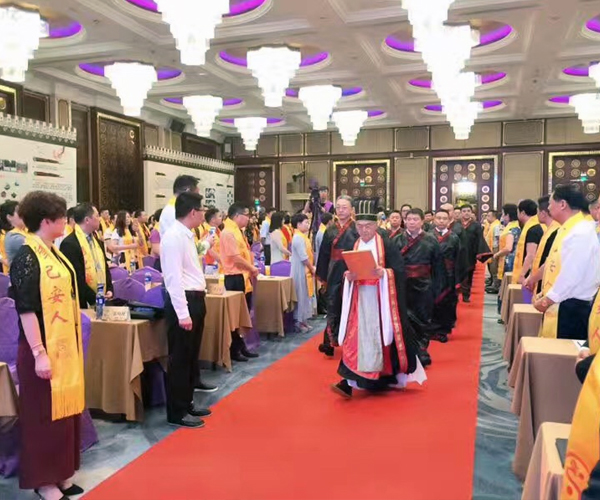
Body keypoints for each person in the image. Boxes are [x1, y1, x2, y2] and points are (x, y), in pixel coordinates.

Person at [10, 191, 85, 500]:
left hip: (63, 344)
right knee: (43, 415)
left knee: (64, 413)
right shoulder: (27, 257)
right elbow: (26, 309)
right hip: (39, 347)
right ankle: (44, 481)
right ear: (46, 221)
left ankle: (61, 472)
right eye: (61, 217)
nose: (66, 222)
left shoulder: (54, 252)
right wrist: (39, 353)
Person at [331, 198, 425, 398]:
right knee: (354, 339)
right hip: (358, 300)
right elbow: (343, 271)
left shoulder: (387, 244)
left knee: (382, 339)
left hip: (381, 300)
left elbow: (399, 271)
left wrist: (385, 274)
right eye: (360, 226)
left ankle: (381, 377)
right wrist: (348, 277)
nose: (363, 230)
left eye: (368, 226)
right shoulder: (353, 243)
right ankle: (349, 381)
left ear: (376, 225)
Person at [161, 192, 215, 429]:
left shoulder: (186, 234)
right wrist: (183, 313)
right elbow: (173, 278)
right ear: (193, 212)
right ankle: (177, 410)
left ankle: (187, 402)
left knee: (191, 356)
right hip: (184, 300)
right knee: (180, 358)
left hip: (195, 297)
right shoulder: (173, 237)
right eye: (202, 210)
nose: (204, 214)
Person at [534, 184, 600, 339]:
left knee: (562, 352)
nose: (548, 208)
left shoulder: (580, 232)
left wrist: (547, 300)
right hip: (563, 302)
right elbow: (555, 263)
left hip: (572, 308)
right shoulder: (567, 229)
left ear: (562, 204)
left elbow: (571, 274)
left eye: (551, 203)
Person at [393, 208, 444, 366]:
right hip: (402, 285)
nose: (412, 222)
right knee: (404, 318)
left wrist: (437, 288)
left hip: (424, 285)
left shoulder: (431, 240)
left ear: (422, 221)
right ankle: (406, 351)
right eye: (409, 219)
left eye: (415, 219)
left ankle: (422, 349)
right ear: (404, 221)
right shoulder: (397, 240)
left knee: (423, 318)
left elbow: (438, 267)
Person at [316, 195, 359, 357]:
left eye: (344, 207)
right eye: (338, 207)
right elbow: (323, 254)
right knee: (333, 305)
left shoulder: (357, 229)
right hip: (333, 270)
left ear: (352, 210)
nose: (340, 210)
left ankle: (351, 341)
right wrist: (323, 277)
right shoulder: (330, 230)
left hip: (351, 269)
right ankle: (329, 342)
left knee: (351, 305)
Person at [221, 203, 260, 361]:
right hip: (234, 277)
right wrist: (252, 268)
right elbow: (235, 258)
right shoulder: (228, 232)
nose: (248, 218)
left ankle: (241, 346)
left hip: (243, 277)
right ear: (237, 216)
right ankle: (234, 349)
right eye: (246, 215)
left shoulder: (238, 231)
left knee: (243, 315)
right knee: (235, 316)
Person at [60, 203, 114, 309]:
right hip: (83, 302)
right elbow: (76, 278)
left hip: (101, 298)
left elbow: (104, 267)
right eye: (97, 216)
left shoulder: (96, 240)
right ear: (87, 220)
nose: (100, 219)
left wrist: (109, 288)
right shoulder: (69, 244)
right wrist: (94, 298)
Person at [431, 209, 464, 341]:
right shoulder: (428, 236)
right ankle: (430, 329)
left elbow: (459, 259)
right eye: (438, 218)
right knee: (430, 302)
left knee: (446, 302)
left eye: (444, 218)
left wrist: (458, 280)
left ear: (449, 221)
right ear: (434, 219)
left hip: (448, 275)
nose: (441, 221)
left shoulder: (454, 238)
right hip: (431, 274)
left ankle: (442, 331)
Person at [524, 195, 561, 295]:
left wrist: (532, 278)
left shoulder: (557, 232)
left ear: (543, 213)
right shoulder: (548, 230)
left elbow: (548, 261)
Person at [452, 204, 489, 303]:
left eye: (468, 211)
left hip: (470, 253)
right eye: (464, 211)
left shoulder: (476, 225)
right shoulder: (455, 225)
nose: (466, 213)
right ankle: (455, 293)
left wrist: (480, 253)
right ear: (461, 213)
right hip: (457, 253)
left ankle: (466, 294)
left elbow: (480, 239)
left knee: (469, 274)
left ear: (472, 212)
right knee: (456, 274)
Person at [492, 204, 521, 316]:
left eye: (503, 214)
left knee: (505, 287)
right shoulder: (514, 226)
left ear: (508, 215)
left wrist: (497, 254)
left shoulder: (511, 229)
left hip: (509, 261)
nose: (502, 217)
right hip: (508, 260)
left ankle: (504, 312)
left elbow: (508, 248)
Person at [290, 213, 315, 333]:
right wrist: (311, 268)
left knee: (305, 296)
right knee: (300, 296)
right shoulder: (298, 238)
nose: (308, 225)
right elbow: (304, 257)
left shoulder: (302, 236)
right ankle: (298, 322)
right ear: (298, 224)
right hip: (300, 270)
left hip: (304, 270)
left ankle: (304, 320)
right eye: (306, 222)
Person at [511, 199, 544, 285]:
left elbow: (530, 255)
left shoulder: (533, 229)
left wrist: (522, 274)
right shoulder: (533, 226)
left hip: (529, 274)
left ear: (522, 213)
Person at [1, 201, 28, 268]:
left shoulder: (25, 229)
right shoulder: (13, 237)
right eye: (20, 212)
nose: (24, 214)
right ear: (9, 217)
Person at [484, 211, 501, 291]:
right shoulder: (491, 225)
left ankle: (495, 285)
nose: (486, 217)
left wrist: (496, 251)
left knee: (494, 267)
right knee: (491, 266)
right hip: (490, 248)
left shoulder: (497, 226)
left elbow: (498, 239)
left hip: (494, 248)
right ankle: (492, 282)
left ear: (493, 216)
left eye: (488, 216)